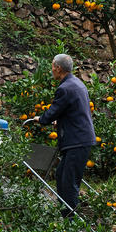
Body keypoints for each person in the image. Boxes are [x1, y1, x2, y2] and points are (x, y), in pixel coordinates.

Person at [34, 54, 96, 217]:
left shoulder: (65, 88)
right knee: (62, 175)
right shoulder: (77, 84)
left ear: (58, 68)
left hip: (76, 141)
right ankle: (68, 216)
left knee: (68, 182)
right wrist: (60, 121)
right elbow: (75, 111)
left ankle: (72, 223)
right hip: (80, 139)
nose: (51, 70)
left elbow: (52, 112)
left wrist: (41, 119)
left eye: (52, 66)